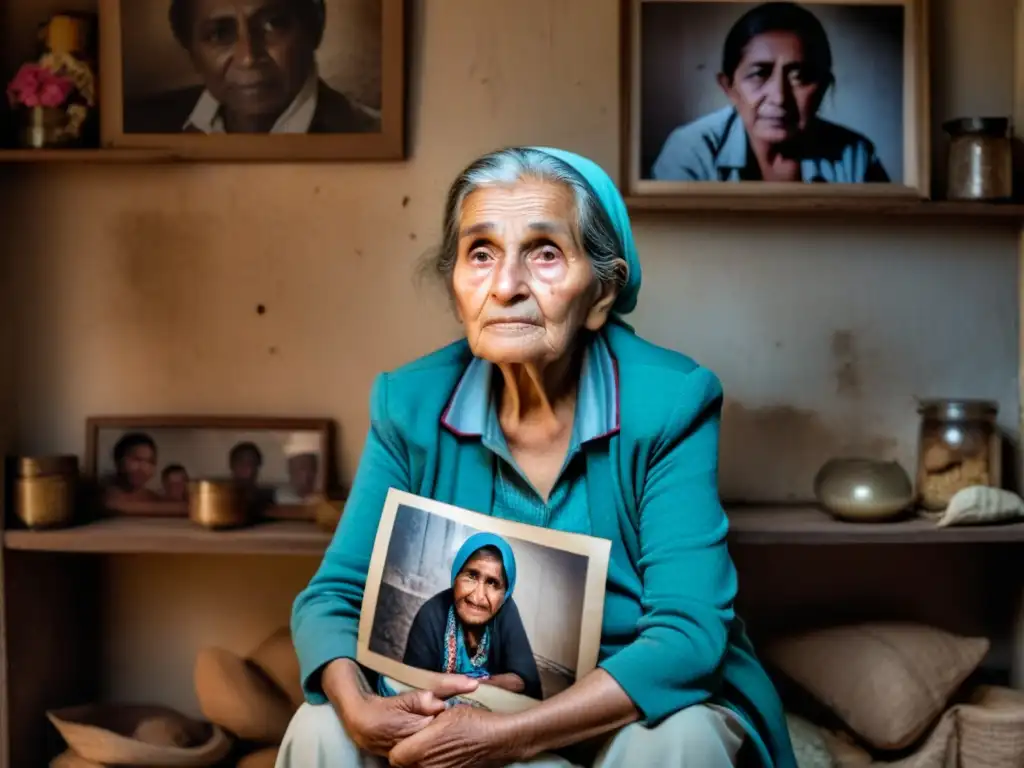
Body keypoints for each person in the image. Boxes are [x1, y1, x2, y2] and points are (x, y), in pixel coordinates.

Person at [277, 147, 797, 768]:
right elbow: (331, 597)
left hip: (621, 707)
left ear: (602, 293)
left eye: (545, 253)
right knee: (319, 725)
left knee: (677, 738)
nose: (506, 286)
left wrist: (504, 739)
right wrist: (358, 711)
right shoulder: (408, 403)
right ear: (456, 284)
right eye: (481, 253)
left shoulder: (670, 401)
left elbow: (688, 636)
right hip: (464, 699)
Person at [651, 2, 889, 183]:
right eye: (759, 74)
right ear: (728, 87)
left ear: (824, 86)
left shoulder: (855, 155)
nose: (779, 97)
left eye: (800, 77)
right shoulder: (692, 151)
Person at [123, 0, 380, 135]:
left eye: (273, 25)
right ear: (191, 52)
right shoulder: (137, 126)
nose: (248, 57)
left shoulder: (370, 136)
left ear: (314, 29)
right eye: (219, 33)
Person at [383, 532, 543, 701]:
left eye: (492, 583)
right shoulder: (430, 614)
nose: (478, 597)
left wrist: (468, 689)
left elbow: (524, 680)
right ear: (455, 577)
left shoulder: (506, 610)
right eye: (471, 576)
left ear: (505, 594)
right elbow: (412, 688)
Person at [103, 432, 187, 516]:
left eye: (151, 462)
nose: (144, 468)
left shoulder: (151, 497)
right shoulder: (105, 493)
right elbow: (118, 506)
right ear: (119, 461)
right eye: (137, 459)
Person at [275, 433, 321, 504]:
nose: (307, 474)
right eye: (302, 467)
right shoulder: (279, 499)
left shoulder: (324, 500)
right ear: (290, 469)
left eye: (312, 467)